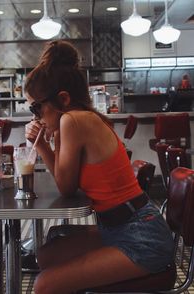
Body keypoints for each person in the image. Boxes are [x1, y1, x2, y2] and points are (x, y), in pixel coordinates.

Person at [24, 40, 175, 294]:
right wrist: (48, 139)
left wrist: (42, 146)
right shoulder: (72, 120)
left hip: (141, 236)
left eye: (37, 107)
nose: (35, 117)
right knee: (44, 257)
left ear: (63, 98)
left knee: (44, 286)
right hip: (119, 227)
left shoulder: (74, 120)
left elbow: (65, 187)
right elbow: (68, 186)